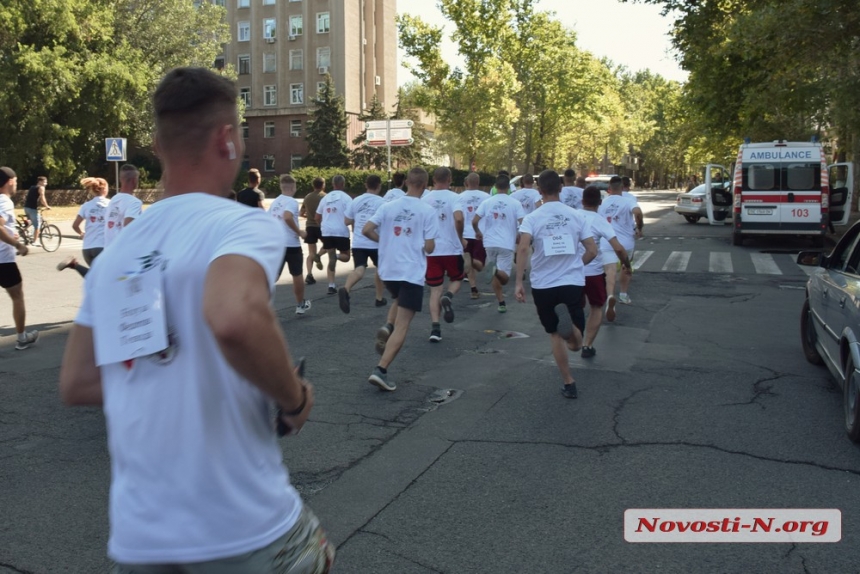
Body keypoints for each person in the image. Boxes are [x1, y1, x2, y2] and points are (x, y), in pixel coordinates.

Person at [59, 67, 334, 572]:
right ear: (227, 139)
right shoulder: (242, 225)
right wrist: (294, 399)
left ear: (159, 147)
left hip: (141, 539)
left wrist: (173, 378)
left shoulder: (120, 253)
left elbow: (78, 381)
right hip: (244, 528)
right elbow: (231, 317)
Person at [515, 170, 597, 399]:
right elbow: (592, 250)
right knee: (576, 344)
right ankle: (571, 331)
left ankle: (569, 382)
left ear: (539, 190)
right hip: (571, 281)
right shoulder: (577, 216)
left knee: (554, 334)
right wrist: (578, 265)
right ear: (560, 188)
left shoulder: (532, 218)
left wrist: (519, 282)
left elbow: (523, 248)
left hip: (543, 284)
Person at [363, 167, 438, 391]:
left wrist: (384, 241)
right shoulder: (427, 210)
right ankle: (381, 370)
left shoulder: (388, 206)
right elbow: (431, 247)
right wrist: (420, 244)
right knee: (404, 325)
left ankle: (388, 324)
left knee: (398, 299)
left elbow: (367, 229)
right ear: (425, 186)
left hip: (389, 271)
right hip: (411, 271)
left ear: (406, 182)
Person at [579, 186, 630, 358]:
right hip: (593, 272)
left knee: (575, 307)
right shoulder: (600, 221)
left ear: (582, 201)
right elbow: (619, 249)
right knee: (595, 307)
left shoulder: (572, 216)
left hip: (572, 272)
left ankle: (573, 335)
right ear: (600, 203)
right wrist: (626, 264)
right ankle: (587, 345)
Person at [422, 167, 465, 342]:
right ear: (450, 179)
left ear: (433, 180)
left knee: (434, 290)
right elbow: (459, 218)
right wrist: (460, 237)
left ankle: (435, 329)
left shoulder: (425, 199)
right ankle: (449, 296)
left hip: (432, 250)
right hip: (451, 248)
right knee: (457, 279)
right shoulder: (455, 197)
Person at [472, 174, 525, 313]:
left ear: (495, 187)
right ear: (509, 187)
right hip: (506, 243)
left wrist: (478, 231)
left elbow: (474, 221)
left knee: (495, 272)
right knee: (505, 278)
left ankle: (501, 301)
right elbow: (522, 223)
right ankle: (495, 271)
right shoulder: (515, 203)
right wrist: (519, 234)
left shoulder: (487, 202)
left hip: (489, 242)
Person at [0, 167, 39, 350]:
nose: (16, 184)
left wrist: (11, 233)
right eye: (15, 181)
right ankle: (22, 338)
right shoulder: (4, 201)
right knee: (17, 296)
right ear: (9, 181)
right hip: (3, 260)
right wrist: (18, 245)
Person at [340, 174, 387, 313]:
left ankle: (346, 288)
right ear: (379, 186)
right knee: (380, 269)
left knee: (359, 269)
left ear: (366, 185)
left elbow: (346, 221)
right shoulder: (382, 202)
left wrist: (357, 219)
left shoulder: (356, 201)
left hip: (359, 241)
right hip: (375, 241)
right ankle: (379, 298)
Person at [599, 176, 643, 321]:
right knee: (626, 267)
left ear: (610, 188)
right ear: (622, 187)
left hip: (608, 241)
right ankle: (623, 294)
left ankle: (610, 294)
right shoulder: (628, 201)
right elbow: (638, 213)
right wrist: (639, 228)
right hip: (626, 242)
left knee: (610, 271)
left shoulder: (603, 203)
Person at [269, 174, 312, 315]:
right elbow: (287, 216)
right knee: (297, 274)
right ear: (293, 187)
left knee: (273, 276)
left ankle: (264, 304)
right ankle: (300, 304)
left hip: (276, 243)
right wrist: (299, 231)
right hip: (291, 243)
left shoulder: (275, 202)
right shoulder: (292, 202)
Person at [57, 177, 109, 278]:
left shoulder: (86, 206)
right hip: (102, 246)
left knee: (96, 278)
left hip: (87, 248)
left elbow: (75, 225)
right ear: (103, 189)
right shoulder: (110, 204)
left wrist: (81, 233)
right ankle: (74, 264)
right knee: (103, 278)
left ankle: (74, 265)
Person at [453, 172, 490, 299]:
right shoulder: (486, 197)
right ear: (478, 183)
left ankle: (473, 287)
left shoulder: (459, 197)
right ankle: (473, 287)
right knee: (479, 265)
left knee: (469, 264)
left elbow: (457, 216)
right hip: (479, 233)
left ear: (466, 182)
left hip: (464, 234)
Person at [315, 175, 353, 295]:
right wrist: (353, 229)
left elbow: (317, 216)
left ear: (332, 184)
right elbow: (351, 216)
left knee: (330, 256)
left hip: (327, 231)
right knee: (346, 256)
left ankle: (331, 285)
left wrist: (322, 225)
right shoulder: (347, 198)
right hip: (341, 231)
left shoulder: (325, 198)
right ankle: (336, 256)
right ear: (343, 184)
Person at [103, 164, 144, 248]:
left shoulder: (113, 199)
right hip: (122, 250)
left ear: (121, 180)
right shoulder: (134, 202)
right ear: (134, 180)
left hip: (108, 250)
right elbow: (129, 227)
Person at [300, 177, 326, 285]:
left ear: (313, 185)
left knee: (310, 252)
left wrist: (308, 216)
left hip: (310, 226)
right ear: (323, 185)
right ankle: (319, 255)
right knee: (329, 245)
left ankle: (309, 274)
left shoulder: (307, 197)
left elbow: (301, 213)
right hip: (322, 226)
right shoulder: (325, 197)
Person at [24, 176, 50, 244]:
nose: (46, 183)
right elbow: (42, 199)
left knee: (31, 221)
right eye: (45, 182)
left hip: (26, 207)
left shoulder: (32, 187)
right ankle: (35, 241)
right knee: (37, 226)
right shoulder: (41, 188)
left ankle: (24, 230)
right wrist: (47, 206)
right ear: (40, 182)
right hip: (32, 208)